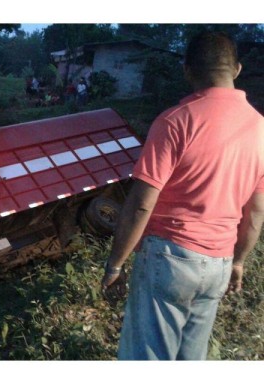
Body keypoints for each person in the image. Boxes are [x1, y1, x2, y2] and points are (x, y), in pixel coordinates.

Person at [101, 31, 264, 360]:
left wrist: (115, 265)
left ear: (187, 70)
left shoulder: (174, 122)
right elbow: (257, 211)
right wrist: (238, 261)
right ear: (237, 70)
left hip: (170, 258)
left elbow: (141, 204)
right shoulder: (260, 128)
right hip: (219, 261)